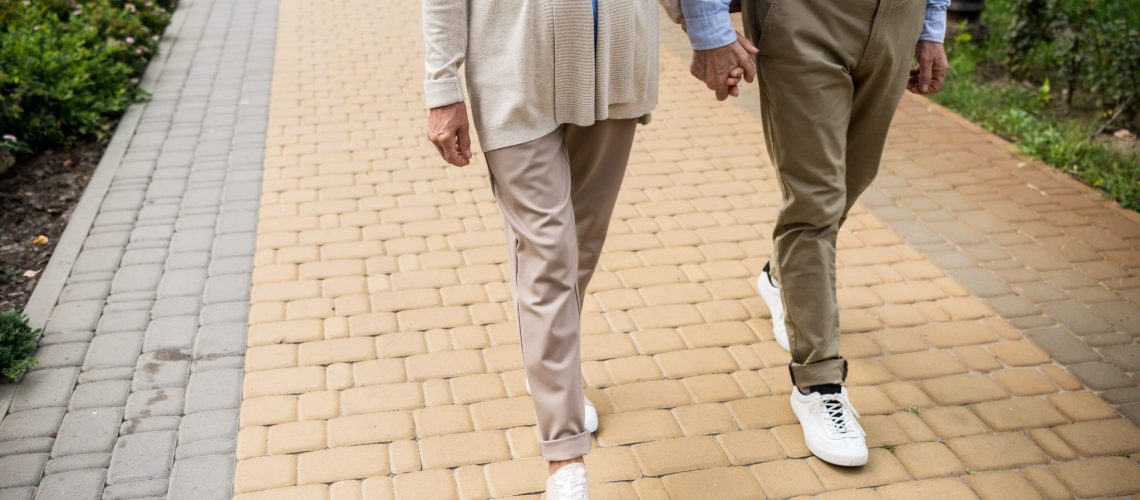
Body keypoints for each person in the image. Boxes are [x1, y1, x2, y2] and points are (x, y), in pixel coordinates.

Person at [421, 1, 750, 498]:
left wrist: (711, 33)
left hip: (616, 69)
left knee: (580, 250)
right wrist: (442, 87)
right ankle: (565, 456)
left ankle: (551, 368)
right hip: (513, 70)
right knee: (549, 255)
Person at [675, 0, 950, 467]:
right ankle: (819, 384)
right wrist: (708, 26)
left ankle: (781, 277)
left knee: (851, 180)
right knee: (814, 204)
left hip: (897, 19)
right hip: (804, 15)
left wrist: (932, 25)